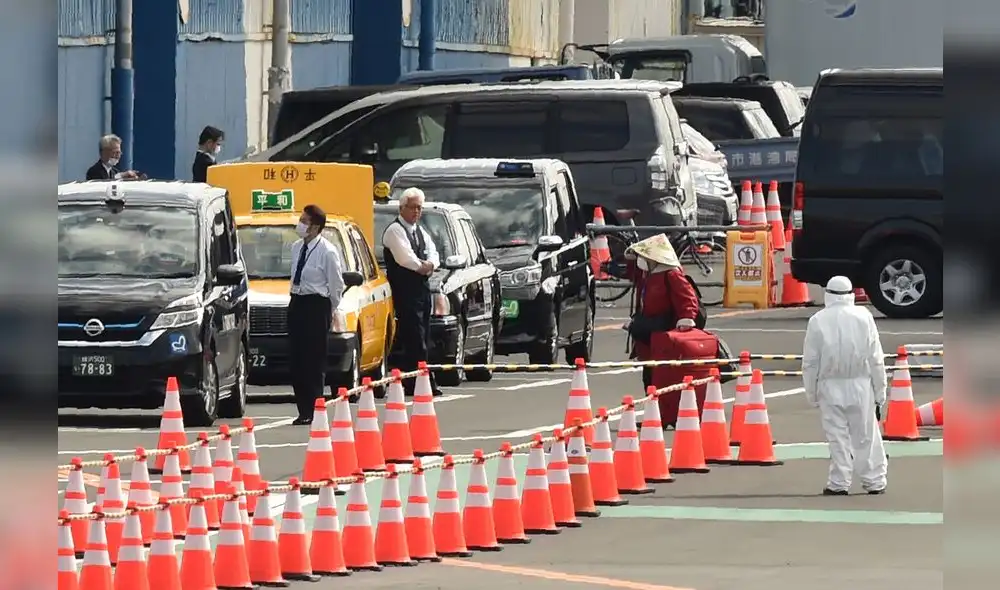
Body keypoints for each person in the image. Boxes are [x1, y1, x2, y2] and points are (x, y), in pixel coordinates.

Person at [802, 275, 888, 496]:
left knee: (836, 436)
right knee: (866, 435)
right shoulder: (864, 317)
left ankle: (839, 482)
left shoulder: (818, 320)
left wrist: (811, 393)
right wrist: (880, 391)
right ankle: (875, 480)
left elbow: (810, 363)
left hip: (829, 386)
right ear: (851, 294)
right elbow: (876, 358)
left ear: (828, 294)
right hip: (860, 383)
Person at [618, 234, 702, 391]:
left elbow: (687, 297)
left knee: (661, 378)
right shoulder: (647, 274)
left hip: (664, 331)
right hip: (649, 331)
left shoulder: (670, 273)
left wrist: (686, 317)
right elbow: (630, 271)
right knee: (649, 377)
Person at [382, 187, 442, 396]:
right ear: (402, 207)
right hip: (405, 289)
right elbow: (404, 258)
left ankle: (418, 379)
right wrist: (422, 266)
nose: (416, 212)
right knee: (413, 336)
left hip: (421, 289)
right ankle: (419, 380)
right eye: (412, 207)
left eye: (419, 208)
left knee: (423, 334)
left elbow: (434, 251)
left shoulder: (420, 231)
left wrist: (431, 264)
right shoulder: (395, 230)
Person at [288, 204, 345, 425]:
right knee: (297, 358)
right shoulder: (296, 247)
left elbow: (336, 285)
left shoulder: (327, 251)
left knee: (313, 359)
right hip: (297, 302)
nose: (300, 224)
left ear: (315, 227)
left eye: (305, 221)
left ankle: (315, 407)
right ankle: (303, 409)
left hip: (317, 304)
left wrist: (328, 310)